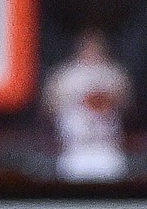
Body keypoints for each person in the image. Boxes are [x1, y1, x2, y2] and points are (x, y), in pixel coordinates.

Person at [42, 29, 131, 180]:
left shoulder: (113, 74)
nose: (92, 50)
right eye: (88, 46)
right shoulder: (64, 75)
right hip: (75, 148)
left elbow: (128, 104)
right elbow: (48, 107)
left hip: (106, 147)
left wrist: (104, 96)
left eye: (96, 47)